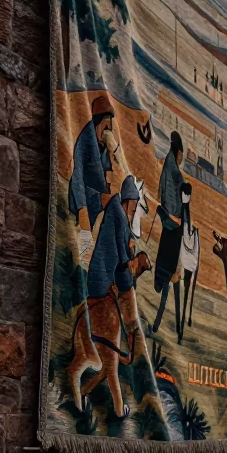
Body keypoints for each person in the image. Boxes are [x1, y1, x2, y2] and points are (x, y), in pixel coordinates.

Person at [150, 131, 184, 335]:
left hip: (168, 224)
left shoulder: (168, 165)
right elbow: (178, 191)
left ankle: (159, 323)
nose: (181, 157)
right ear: (178, 151)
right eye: (182, 154)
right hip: (173, 227)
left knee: (167, 270)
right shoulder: (174, 170)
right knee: (172, 271)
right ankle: (159, 323)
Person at [87, 174, 139, 302]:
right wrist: (129, 264)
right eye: (134, 203)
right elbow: (122, 250)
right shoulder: (118, 214)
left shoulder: (119, 211)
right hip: (102, 273)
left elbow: (124, 234)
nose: (135, 207)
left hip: (106, 271)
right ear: (128, 200)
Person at [68, 93, 117, 231]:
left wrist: (107, 185)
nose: (108, 130)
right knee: (83, 237)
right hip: (82, 197)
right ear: (97, 123)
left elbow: (107, 167)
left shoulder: (104, 143)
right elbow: (78, 175)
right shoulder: (85, 141)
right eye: (105, 126)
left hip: (96, 197)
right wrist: (82, 209)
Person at [178, 183, 199, 344]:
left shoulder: (186, 210)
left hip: (186, 251)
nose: (186, 197)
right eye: (186, 194)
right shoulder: (184, 209)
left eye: (187, 194)